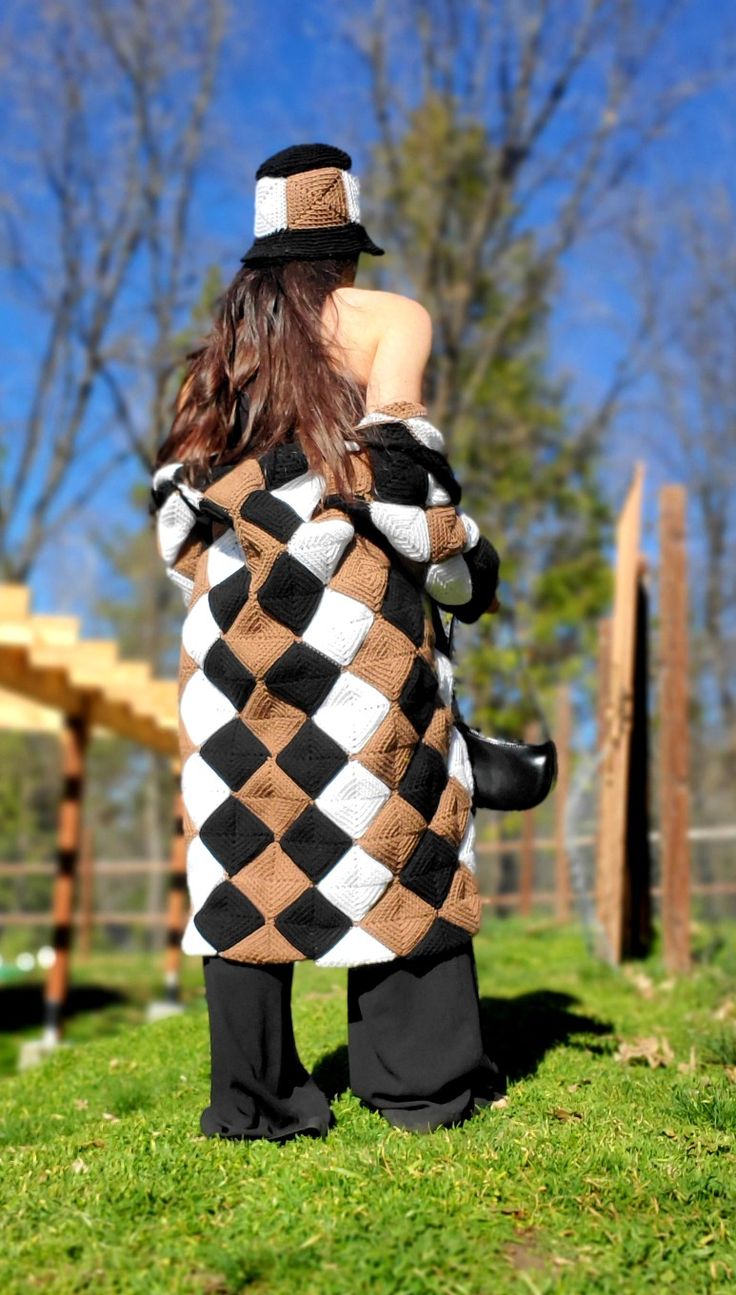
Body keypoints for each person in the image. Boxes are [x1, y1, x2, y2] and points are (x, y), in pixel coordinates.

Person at [149, 142, 505, 1142]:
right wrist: (464, 566)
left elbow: (176, 516)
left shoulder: (228, 346)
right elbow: (396, 474)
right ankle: (416, 1084)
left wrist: (246, 566)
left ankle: (256, 1099)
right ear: (347, 240)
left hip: (233, 619)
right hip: (358, 615)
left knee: (243, 831)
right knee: (394, 814)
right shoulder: (392, 319)